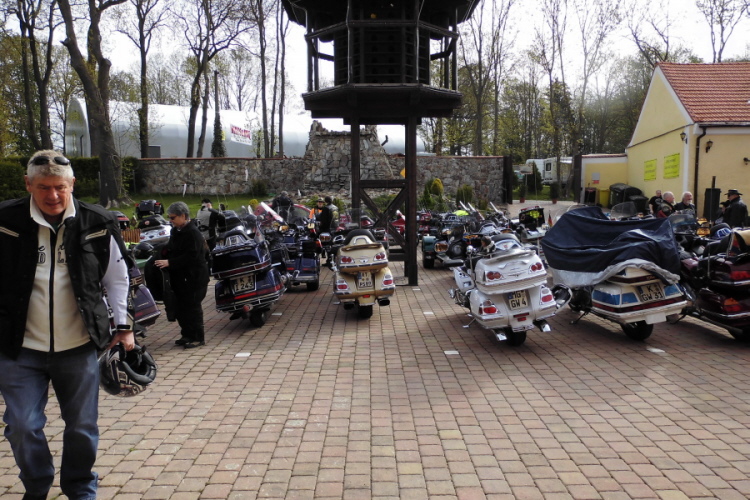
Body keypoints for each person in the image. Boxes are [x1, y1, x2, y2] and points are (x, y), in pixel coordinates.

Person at [0, 150, 135, 500]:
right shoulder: (5, 221)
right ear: (28, 184)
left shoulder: (97, 222)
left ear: (72, 184)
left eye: (60, 187)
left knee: (82, 426)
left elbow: (117, 278)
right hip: (19, 347)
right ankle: (37, 485)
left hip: (78, 346)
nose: (53, 195)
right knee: (22, 426)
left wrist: (124, 326)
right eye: (43, 187)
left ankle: (79, 486)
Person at [155, 202, 210, 348]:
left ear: (183, 216)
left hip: (195, 277)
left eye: (173, 217)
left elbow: (192, 256)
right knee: (181, 306)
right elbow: (172, 248)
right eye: (169, 217)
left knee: (193, 306)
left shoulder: (192, 233)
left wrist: (170, 262)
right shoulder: (176, 231)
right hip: (181, 277)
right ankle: (187, 334)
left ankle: (198, 337)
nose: (170, 220)